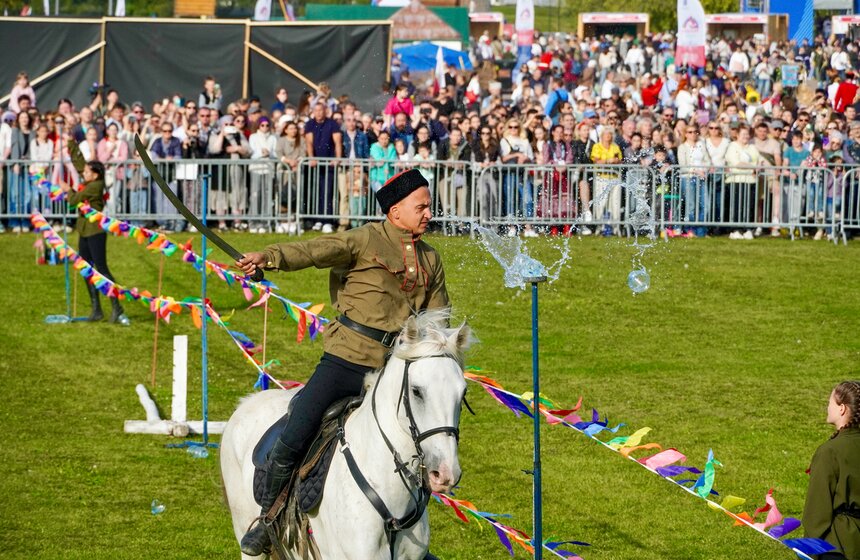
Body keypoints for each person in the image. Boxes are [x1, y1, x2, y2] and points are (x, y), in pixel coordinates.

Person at [234, 169, 450, 557]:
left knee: (421, 445)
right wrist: (266, 257)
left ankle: (407, 541)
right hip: (345, 361)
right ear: (395, 210)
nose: (429, 213)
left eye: (429, 205)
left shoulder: (431, 259)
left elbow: (439, 321)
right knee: (295, 433)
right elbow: (313, 251)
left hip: (393, 372)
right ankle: (269, 519)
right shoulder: (365, 239)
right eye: (422, 206)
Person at [58, 144, 128, 325]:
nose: (83, 173)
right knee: (86, 269)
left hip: (96, 232)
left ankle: (116, 307)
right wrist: (71, 144)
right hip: (84, 230)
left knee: (102, 270)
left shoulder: (94, 186)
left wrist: (68, 190)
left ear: (95, 175)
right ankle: (96, 309)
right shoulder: (91, 179)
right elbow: (81, 165)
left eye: (87, 172)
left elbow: (74, 200)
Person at [802, 381, 860, 560]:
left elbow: (817, 511)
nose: (827, 407)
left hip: (838, 546)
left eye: (830, 403)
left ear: (842, 408)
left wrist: (808, 549)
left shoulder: (829, 451)